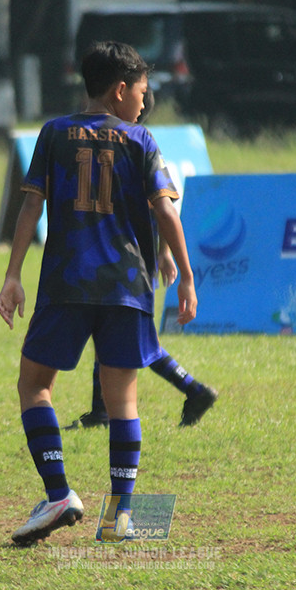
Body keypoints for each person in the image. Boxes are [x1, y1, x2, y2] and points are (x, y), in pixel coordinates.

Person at [0, 41, 197, 547]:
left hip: (66, 283)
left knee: (34, 385)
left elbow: (29, 209)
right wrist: (188, 277)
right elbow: (166, 212)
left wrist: (13, 274)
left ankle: (60, 493)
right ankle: (120, 518)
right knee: (122, 399)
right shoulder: (140, 140)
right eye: (144, 92)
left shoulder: (55, 133)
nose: (145, 103)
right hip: (128, 288)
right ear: (120, 89)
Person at [66, 86, 217, 431]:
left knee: (136, 341)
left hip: (131, 262)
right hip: (121, 259)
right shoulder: (119, 143)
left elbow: (162, 208)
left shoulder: (132, 145)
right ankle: (102, 411)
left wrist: (164, 254)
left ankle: (194, 389)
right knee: (111, 333)